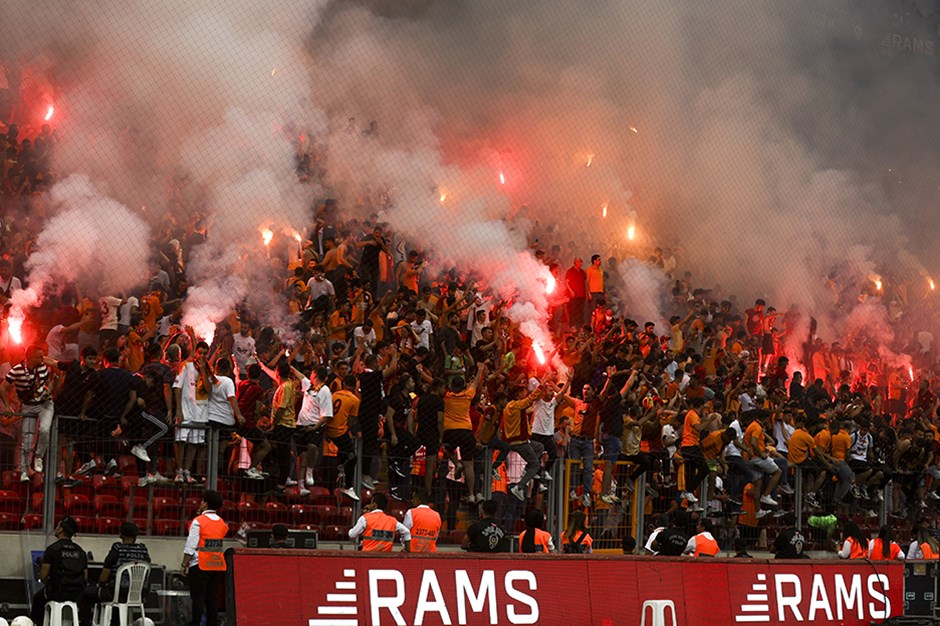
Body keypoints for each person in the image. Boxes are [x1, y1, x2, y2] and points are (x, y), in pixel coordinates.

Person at [0, 344, 57, 480]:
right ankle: (20, 467)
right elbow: (2, 388)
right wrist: (9, 407)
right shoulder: (16, 371)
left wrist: (47, 391)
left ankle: (29, 464)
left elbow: (48, 384)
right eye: (40, 356)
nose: (43, 359)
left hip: (36, 407)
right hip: (8, 434)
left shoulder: (41, 369)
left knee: (34, 437)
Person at [86, 522, 151, 621]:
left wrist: (100, 584)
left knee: (86, 593)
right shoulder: (143, 551)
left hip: (115, 595)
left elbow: (103, 579)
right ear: (135, 536)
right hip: (138, 596)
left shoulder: (116, 550)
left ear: (120, 535)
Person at [181, 491, 229, 626]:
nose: (200, 503)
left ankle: (196, 623)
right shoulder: (222, 523)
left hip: (200, 564)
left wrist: (184, 564)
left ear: (206, 503)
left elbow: (191, 545)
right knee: (212, 598)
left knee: (198, 598)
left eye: (202, 501)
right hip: (217, 565)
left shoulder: (199, 521)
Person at [31, 516, 87, 626]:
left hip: (57, 593)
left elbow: (43, 576)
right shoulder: (80, 551)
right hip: (77, 594)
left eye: (57, 526)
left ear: (61, 529)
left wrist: (50, 584)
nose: (56, 528)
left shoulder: (52, 549)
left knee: (37, 598)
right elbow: (85, 577)